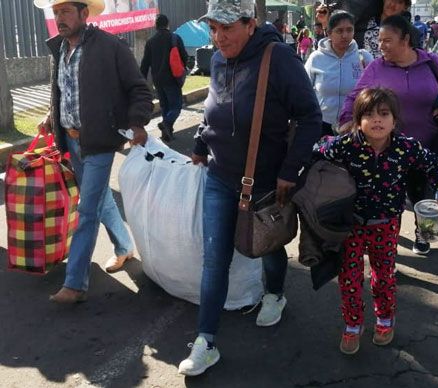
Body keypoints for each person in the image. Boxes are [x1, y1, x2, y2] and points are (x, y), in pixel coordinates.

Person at [178, 0, 321, 376]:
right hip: (220, 177)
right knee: (215, 260)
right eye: (213, 28)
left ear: (250, 24)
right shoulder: (220, 58)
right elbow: (215, 107)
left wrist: (290, 170)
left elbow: (310, 116)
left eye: (227, 28)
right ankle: (205, 341)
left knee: (267, 245)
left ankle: (275, 293)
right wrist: (199, 141)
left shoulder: (279, 58)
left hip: (266, 181)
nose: (218, 36)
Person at [314, 88, 438, 354]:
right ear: (357, 120)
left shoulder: (405, 147)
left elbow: (433, 164)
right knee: (350, 279)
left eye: (384, 114)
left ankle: (385, 320)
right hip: (352, 225)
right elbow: (317, 151)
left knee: (383, 277)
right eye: (368, 115)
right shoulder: (346, 145)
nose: (377, 120)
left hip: (387, 224)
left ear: (394, 120)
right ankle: (353, 325)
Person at [34, 0, 152, 303]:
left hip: (98, 140)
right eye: (56, 13)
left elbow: (139, 89)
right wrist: (52, 115)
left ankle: (75, 284)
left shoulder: (110, 47)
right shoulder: (58, 48)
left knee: (87, 210)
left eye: (66, 12)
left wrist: (137, 123)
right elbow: (64, 90)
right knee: (99, 199)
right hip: (71, 142)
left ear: (84, 14)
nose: (60, 18)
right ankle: (124, 247)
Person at [339, 15, 438, 255]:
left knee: (423, 194)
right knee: (391, 198)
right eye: (380, 41)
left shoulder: (431, 63)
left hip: (428, 142)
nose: (381, 46)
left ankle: (423, 234)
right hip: (389, 148)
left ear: (405, 39)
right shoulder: (376, 67)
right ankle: (387, 242)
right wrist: (345, 121)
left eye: (387, 41)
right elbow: (355, 96)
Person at [304, 10, 374, 136]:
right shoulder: (316, 58)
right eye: (339, 31)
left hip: (355, 125)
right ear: (329, 33)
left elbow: (375, 90)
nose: (345, 35)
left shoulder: (364, 57)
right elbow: (303, 90)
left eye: (349, 30)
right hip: (321, 125)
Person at [140, 14, 188, 142]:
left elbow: (145, 64)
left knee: (165, 106)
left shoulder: (150, 42)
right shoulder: (175, 38)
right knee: (176, 106)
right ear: (168, 24)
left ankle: (167, 134)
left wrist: (141, 81)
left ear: (156, 26)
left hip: (158, 80)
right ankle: (166, 123)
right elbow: (185, 57)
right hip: (172, 79)